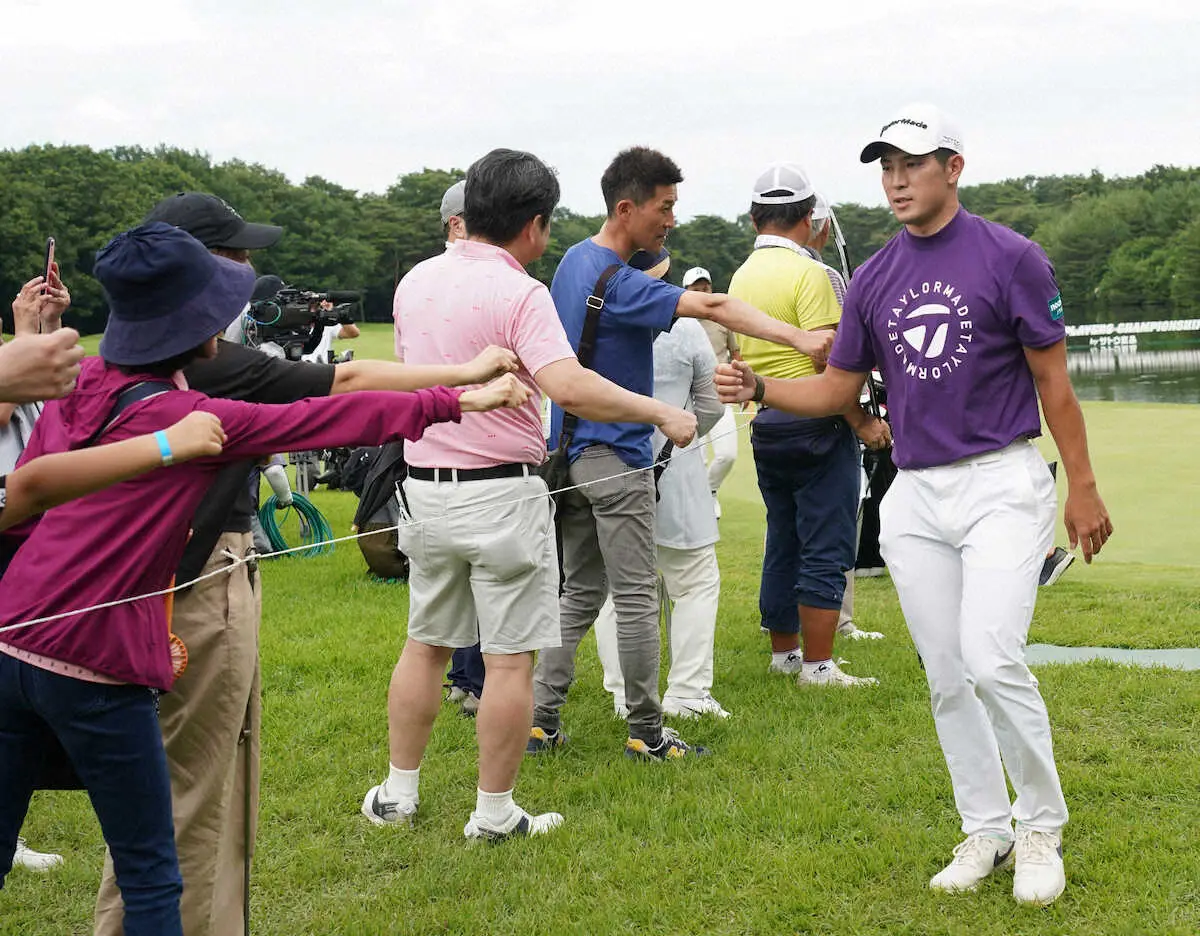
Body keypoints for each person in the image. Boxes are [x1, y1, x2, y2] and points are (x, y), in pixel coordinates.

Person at [0, 222, 527, 935]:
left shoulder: (85, 382)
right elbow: (326, 416)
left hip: (14, 642)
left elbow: (27, 505)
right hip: (99, 665)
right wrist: (455, 401)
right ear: (203, 328)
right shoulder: (190, 419)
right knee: (154, 871)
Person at [716, 103, 1112, 905]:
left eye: (912, 164)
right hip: (915, 493)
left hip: (1001, 480)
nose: (896, 180)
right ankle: (986, 828)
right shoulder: (873, 278)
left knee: (991, 657)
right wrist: (761, 386)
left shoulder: (1013, 258)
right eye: (885, 167)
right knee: (944, 674)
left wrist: (1084, 486)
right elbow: (836, 388)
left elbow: (1053, 382)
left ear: (953, 169)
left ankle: (1041, 824)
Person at [363, 148, 697, 838]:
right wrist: (660, 411)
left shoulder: (416, 281)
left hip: (423, 488)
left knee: (423, 644)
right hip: (501, 495)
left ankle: (399, 795)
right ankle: (493, 813)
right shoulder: (523, 292)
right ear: (535, 225)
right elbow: (568, 384)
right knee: (509, 659)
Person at [530, 146, 836, 761]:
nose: (671, 219)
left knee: (582, 594)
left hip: (569, 457)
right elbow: (715, 306)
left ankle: (541, 719)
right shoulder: (621, 284)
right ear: (626, 207)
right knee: (640, 596)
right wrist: (801, 337)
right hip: (618, 461)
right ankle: (647, 732)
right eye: (664, 207)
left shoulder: (573, 262)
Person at [728, 162, 890, 687]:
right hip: (818, 424)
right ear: (808, 216)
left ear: (755, 219)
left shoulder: (741, 274)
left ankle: (786, 655)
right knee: (826, 542)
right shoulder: (815, 273)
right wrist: (861, 419)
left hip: (768, 423)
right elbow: (829, 363)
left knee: (783, 540)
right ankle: (818, 665)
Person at [593, 249, 728, 719]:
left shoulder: (592, 317)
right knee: (692, 581)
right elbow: (709, 407)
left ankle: (621, 693)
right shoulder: (685, 326)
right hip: (676, 468)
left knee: (617, 588)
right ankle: (687, 692)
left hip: (604, 464)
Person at [434, 177, 487, 717]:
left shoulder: (420, 283)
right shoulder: (479, 281)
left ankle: (460, 677)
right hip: (476, 452)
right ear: (457, 223)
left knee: (453, 586)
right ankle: (471, 680)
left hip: (432, 459)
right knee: (481, 582)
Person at [684, 267, 741, 519]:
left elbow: (736, 354)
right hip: (685, 399)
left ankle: (710, 491)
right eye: (696, 289)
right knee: (692, 459)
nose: (703, 293)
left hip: (720, 395)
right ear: (686, 292)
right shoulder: (678, 322)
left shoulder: (723, 319)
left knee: (727, 454)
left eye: (705, 288)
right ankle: (695, 502)